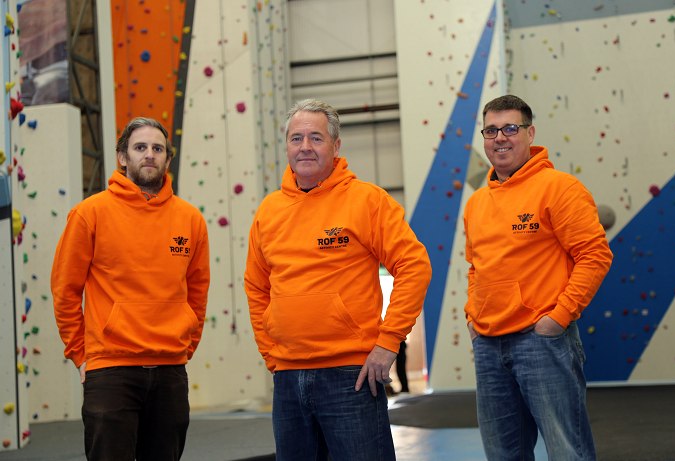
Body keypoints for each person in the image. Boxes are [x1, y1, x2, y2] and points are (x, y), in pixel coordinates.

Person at [245, 99, 432, 460]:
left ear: (335, 145)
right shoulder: (268, 211)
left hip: (351, 374)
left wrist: (389, 341)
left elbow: (414, 265)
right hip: (287, 376)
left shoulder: (367, 201)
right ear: (286, 146)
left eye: (316, 137)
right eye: (296, 138)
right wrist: (271, 353)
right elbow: (256, 285)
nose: (305, 146)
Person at [463, 94, 613, 461]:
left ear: (530, 134)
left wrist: (558, 317)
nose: (500, 138)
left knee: (567, 451)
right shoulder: (477, 203)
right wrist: (472, 315)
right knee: (503, 454)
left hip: (541, 341)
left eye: (511, 129)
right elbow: (476, 266)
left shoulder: (560, 188)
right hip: (487, 344)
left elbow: (595, 255)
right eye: (491, 130)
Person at [51, 117, 210, 461]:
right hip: (110, 370)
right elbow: (65, 290)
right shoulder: (89, 214)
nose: (149, 155)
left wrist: (186, 346)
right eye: (140, 148)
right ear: (123, 157)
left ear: (168, 159)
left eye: (157, 149)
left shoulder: (191, 219)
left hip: (170, 371)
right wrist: (80, 354)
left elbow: (197, 292)